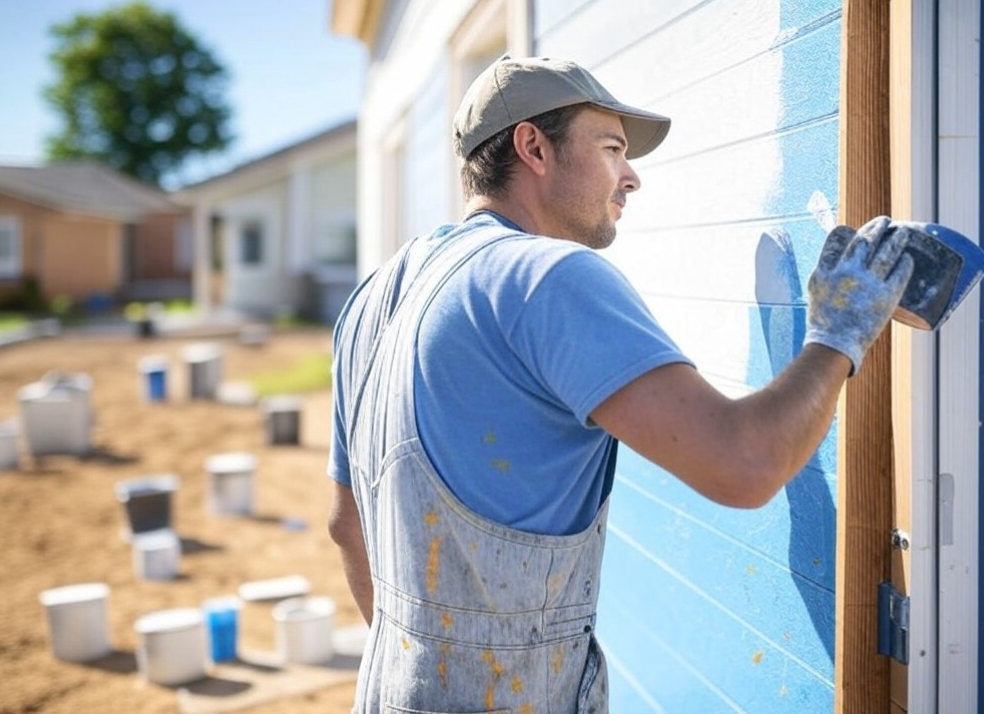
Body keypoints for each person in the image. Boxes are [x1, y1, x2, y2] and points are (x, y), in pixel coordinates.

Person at [327, 55, 913, 713]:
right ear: (533, 147)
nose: (631, 177)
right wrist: (839, 333)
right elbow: (745, 465)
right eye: (611, 149)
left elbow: (347, 526)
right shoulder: (547, 277)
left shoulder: (377, 296)